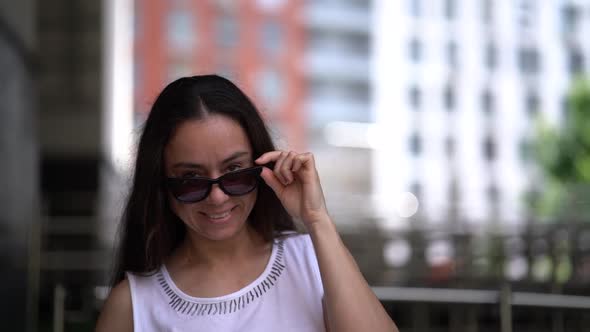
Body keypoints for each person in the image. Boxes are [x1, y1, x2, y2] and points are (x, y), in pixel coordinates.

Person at [95, 75, 397, 332]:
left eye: (234, 172)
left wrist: (317, 219)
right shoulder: (132, 307)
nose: (218, 197)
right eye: (191, 178)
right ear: (160, 184)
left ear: (260, 165)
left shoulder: (314, 260)